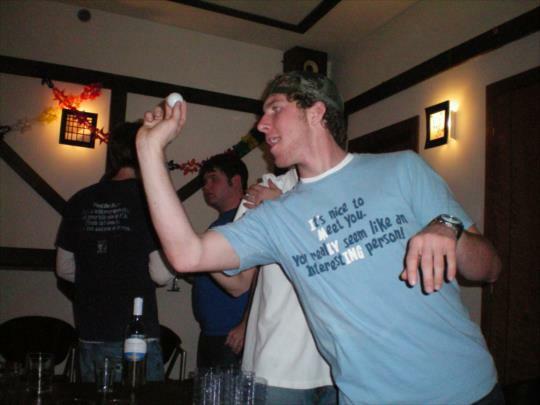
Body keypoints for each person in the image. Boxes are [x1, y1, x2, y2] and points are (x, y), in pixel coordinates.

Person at [135, 71, 503, 404]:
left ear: (316, 112)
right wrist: (149, 150)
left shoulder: (403, 169)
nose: (261, 124)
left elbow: (490, 268)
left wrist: (449, 229)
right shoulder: (276, 216)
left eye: (274, 108)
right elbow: (186, 254)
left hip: (468, 389)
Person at [56, 121, 173, 383]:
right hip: (136, 337)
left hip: (90, 333)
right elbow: (161, 273)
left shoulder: (80, 199)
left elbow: (64, 268)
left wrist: (98, 276)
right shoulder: (149, 200)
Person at [229, 168, 338, 404]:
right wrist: (192, 253)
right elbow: (240, 283)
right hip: (279, 366)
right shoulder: (266, 188)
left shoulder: (351, 185)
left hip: (341, 364)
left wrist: (283, 207)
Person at [191, 153, 251, 368]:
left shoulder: (247, 220)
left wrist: (245, 325)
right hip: (211, 333)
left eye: (213, 179)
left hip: (233, 336)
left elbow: (259, 278)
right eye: (204, 181)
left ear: (235, 181)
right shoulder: (219, 224)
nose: (206, 186)